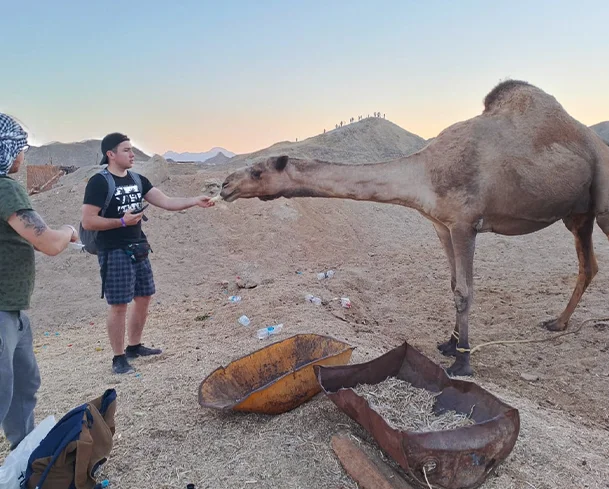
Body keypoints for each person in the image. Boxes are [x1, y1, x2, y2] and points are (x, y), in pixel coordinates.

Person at [81, 133, 215, 374]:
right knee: (119, 304)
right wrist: (122, 222)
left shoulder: (137, 179)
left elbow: (167, 202)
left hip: (138, 247)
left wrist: (195, 200)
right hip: (114, 251)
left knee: (143, 297)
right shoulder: (99, 182)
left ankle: (134, 346)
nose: (132, 154)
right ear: (110, 154)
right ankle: (118, 357)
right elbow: (89, 221)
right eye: (126, 150)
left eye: (131, 149)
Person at [0, 113, 79, 449]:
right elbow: (47, 242)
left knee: (22, 387)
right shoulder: (5, 189)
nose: (23, 155)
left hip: (13, 311)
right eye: (21, 147)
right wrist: (69, 231)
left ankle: (24, 460)